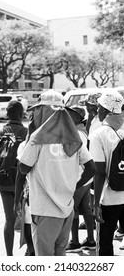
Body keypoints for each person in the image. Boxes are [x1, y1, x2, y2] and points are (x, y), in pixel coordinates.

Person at [17, 89, 96, 256]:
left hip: (45, 211)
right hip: (66, 209)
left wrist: (30, 134)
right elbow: (91, 168)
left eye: (38, 109)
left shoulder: (37, 137)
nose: (35, 113)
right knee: (59, 256)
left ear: (45, 111)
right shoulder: (74, 136)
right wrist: (74, 187)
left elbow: (23, 167)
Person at [89, 91, 124, 256]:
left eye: (99, 107)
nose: (97, 111)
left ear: (106, 110)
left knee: (105, 245)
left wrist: (96, 204)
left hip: (109, 199)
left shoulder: (99, 135)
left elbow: (100, 172)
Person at [0, 100, 27, 256]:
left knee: (9, 219)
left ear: (7, 114)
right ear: (21, 114)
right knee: (27, 220)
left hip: (2, 180)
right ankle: (30, 252)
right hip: (20, 181)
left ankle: (9, 256)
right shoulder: (25, 132)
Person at [65, 105, 96, 252]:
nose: (67, 115)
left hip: (79, 177)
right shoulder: (81, 130)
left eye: (70, 113)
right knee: (86, 209)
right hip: (85, 177)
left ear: (77, 117)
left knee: (73, 209)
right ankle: (90, 240)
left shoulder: (77, 132)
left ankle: (75, 242)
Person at [78, 93, 102, 230]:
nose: (86, 107)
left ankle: (96, 218)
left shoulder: (100, 122)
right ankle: (92, 218)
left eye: (87, 104)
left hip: (98, 162)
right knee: (92, 193)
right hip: (92, 160)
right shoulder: (93, 119)